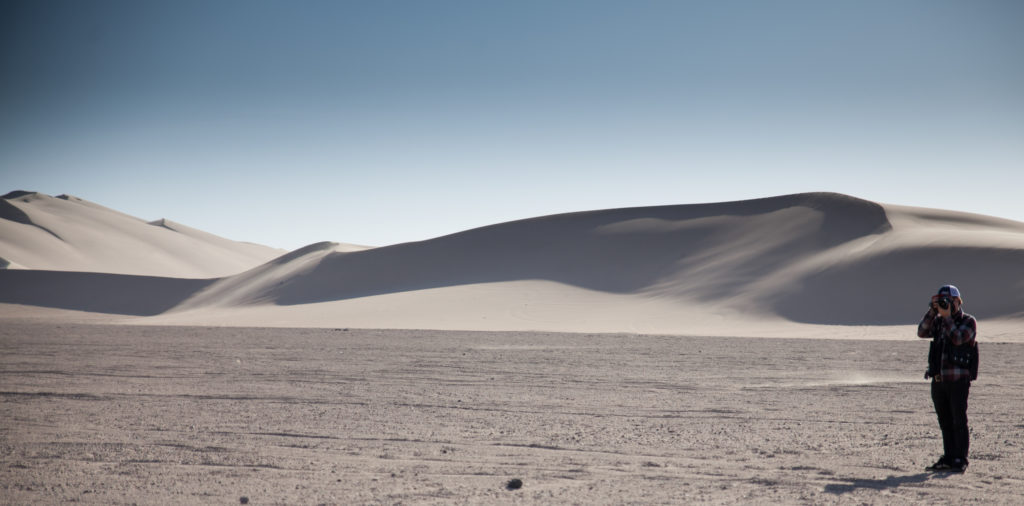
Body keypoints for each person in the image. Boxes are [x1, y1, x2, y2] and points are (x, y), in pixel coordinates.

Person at [918, 284, 977, 473]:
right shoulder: (938, 322)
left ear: (957, 302)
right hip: (939, 380)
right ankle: (949, 457)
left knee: (958, 420)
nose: (945, 305)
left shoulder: (968, 321)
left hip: (958, 381)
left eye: (948, 302)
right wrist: (932, 311)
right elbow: (921, 332)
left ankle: (960, 459)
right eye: (941, 302)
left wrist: (947, 318)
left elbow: (959, 338)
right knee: (945, 421)